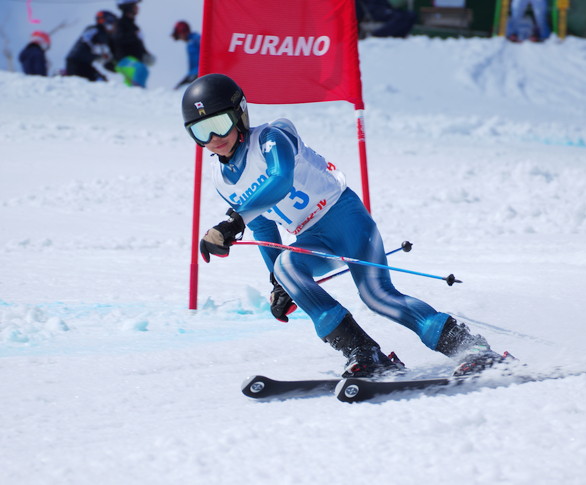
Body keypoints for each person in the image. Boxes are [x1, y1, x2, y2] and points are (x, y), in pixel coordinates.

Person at [181, 73, 506, 378]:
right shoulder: (221, 179)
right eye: (201, 131)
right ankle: (364, 353)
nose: (214, 138)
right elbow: (264, 229)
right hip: (313, 237)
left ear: (240, 115)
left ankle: (471, 348)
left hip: (345, 217)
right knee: (287, 267)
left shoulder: (270, 138)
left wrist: (232, 221)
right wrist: (277, 283)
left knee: (377, 296)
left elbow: (279, 180)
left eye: (220, 124)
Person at [65, 11, 118, 82]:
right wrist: (98, 50)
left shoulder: (105, 35)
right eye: (113, 24)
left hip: (85, 64)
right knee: (95, 82)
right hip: (76, 63)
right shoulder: (94, 30)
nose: (114, 27)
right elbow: (86, 40)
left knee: (101, 80)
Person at [112, 0, 154, 87]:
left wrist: (145, 53)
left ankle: (130, 96)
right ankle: (138, 94)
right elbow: (118, 39)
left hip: (134, 60)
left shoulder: (133, 26)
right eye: (135, 6)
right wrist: (133, 35)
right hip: (124, 60)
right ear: (128, 8)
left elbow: (137, 44)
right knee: (141, 70)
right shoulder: (120, 23)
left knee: (131, 82)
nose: (138, 8)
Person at [171, 21, 200, 89]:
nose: (179, 37)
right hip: (192, 74)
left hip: (198, 73)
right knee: (177, 89)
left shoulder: (196, 39)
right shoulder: (190, 42)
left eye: (179, 34)